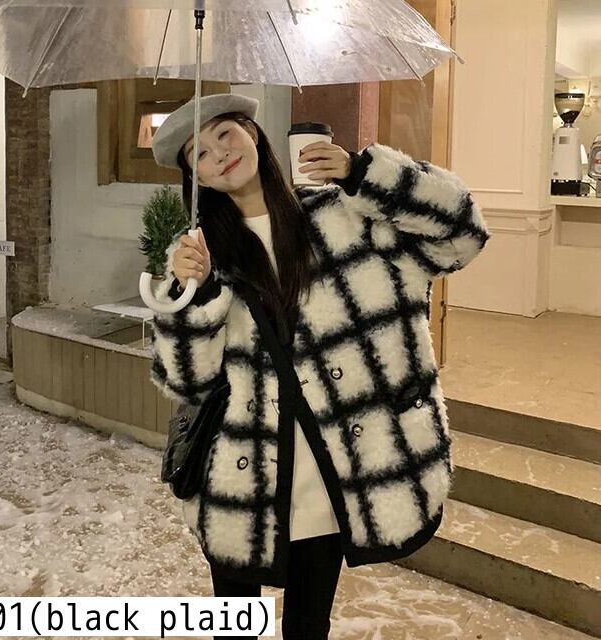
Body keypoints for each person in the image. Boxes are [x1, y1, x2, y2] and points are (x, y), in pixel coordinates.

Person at [149, 93, 490, 639]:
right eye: (201, 154)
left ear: (252, 133)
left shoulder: (344, 215)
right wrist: (196, 293)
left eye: (225, 134)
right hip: (244, 473)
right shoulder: (199, 253)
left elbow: (462, 233)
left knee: (309, 624)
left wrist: (364, 175)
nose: (220, 154)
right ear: (198, 179)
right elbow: (184, 379)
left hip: (332, 466)